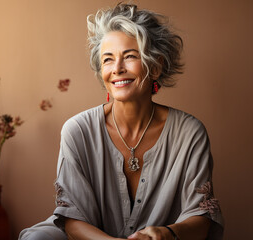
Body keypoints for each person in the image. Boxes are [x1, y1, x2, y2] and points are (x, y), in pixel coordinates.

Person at [19, 3, 224, 240]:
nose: (117, 69)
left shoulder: (189, 133)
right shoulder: (77, 130)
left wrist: (167, 233)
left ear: (155, 67)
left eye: (130, 56)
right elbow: (72, 221)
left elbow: (201, 219)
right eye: (108, 59)